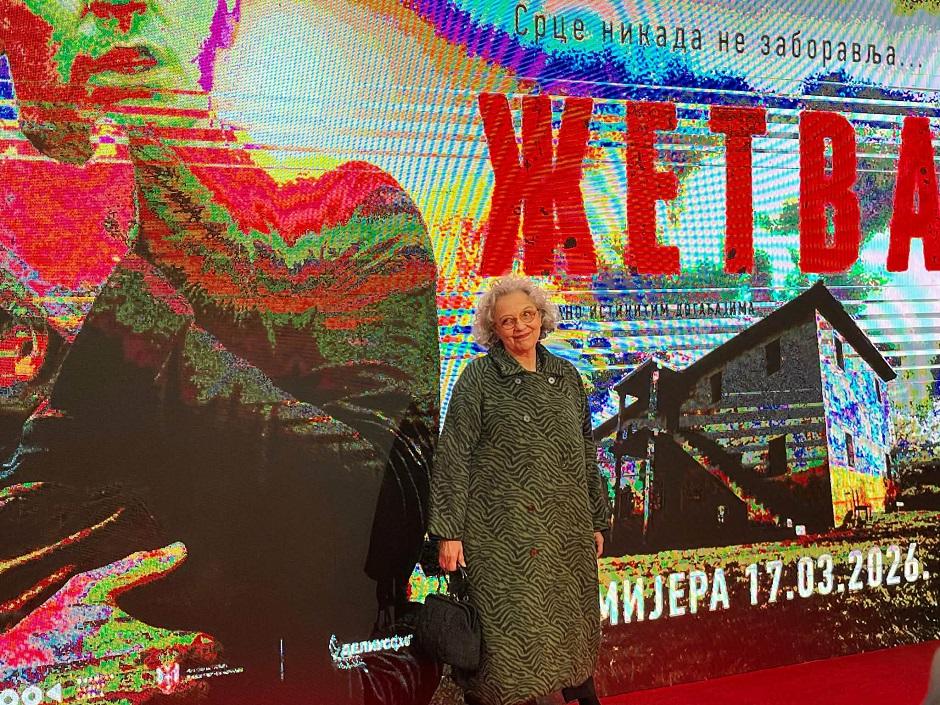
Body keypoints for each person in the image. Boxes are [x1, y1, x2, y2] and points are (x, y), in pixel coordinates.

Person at [0, 2, 440, 703]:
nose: (118, 11)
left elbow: (386, 515)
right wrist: (33, 657)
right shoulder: (26, 289)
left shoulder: (344, 215)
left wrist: (111, 301)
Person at [427, 275, 612, 705]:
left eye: (527, 315)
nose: (519, 327)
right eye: (507, 321)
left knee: (570, 628)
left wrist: (596, 519)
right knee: (507, 646)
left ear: (541, 317)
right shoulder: (478, 378)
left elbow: (586, 450)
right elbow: (453, 455)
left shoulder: (566, 376)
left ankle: (578, 693)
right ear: (494, 329)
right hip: (502, 538)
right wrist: (448, 532)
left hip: (565, 534)